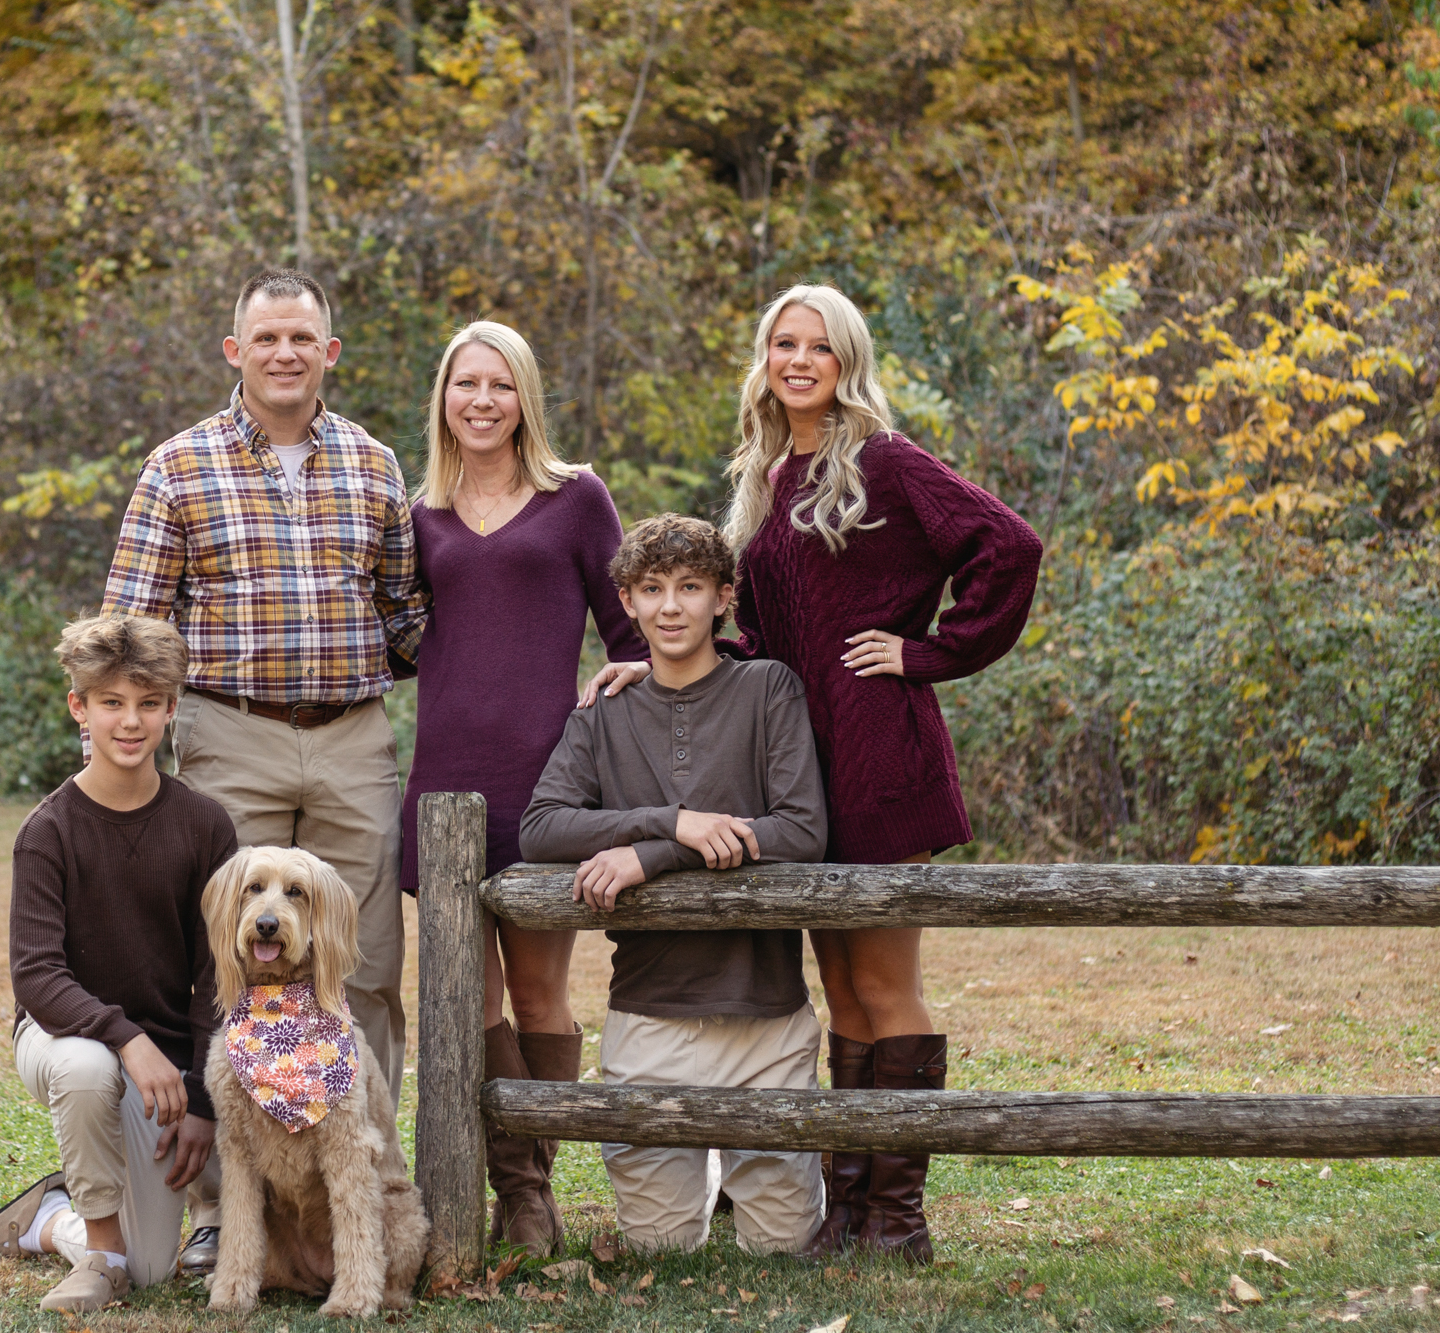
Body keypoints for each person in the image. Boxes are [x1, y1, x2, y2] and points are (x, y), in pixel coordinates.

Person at [589, 285, 1042, 1263]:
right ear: (764, 358)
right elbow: (761, 631)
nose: (798, 361)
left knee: (885, 984)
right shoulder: (768, 471)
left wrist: (929, 653)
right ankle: (848, 1210)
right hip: (797, 761)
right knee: (841, 990)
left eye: (818, 348)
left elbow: (1007, 545)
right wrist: (660, 660)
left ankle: (898, 1219)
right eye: (782, 344)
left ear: (846, 362)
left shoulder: (880, 458)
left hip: (878, 752)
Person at [100, 269, 426, 1141]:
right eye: (267, 338)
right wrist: (128, 739)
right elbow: (131, 626)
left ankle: (368, 1174)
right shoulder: (178, 466)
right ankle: (224, 1198)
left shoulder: (374, 463)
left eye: (303, 338)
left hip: (352, 738)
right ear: (235, 350)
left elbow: (407, 616)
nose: (286, 353)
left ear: (330, 352)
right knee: (234, 962)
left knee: (364, 966)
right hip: (230, 733)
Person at [396, 321, 649, 1255]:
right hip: (445, 782)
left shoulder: (575, 497)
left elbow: (633, 629)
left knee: (541, 994)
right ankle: (513, 1190)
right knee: (473, 998)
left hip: (550, 784)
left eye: (501, 386)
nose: (482, 401)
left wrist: (629, 676)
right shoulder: (416, 512)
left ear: (525, 397)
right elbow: (389, 633)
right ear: (444, 398)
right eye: (466, 384)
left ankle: (534, 1185)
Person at [520, 514, 829, 1256]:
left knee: (782, 1247)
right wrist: (674, 821)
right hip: (650, 1018)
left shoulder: (767, 688)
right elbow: (541, 826)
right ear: (624, 600)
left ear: (724, 597)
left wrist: (656, 854)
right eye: (652, 589)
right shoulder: (604, 713)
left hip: (766, 1018)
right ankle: (709, 1169)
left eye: (691, 587)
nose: (670, 607)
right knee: (659, 1247)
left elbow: (801, 829)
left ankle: (743, 1167)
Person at [0, 614, 239, 1313]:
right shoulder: (48, 830)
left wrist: (200, 1098)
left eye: (148, 703)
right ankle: (98, 1254)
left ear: (172, 708)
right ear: (79, 707)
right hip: (61, 1037)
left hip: (165, 1069)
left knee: (152, 1269)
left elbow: (217, 978)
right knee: (88, 1065)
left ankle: (50, 1215)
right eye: (111, 702)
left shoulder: (205, 825)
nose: (130, 721)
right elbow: (38, 976)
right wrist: (127, 1037)